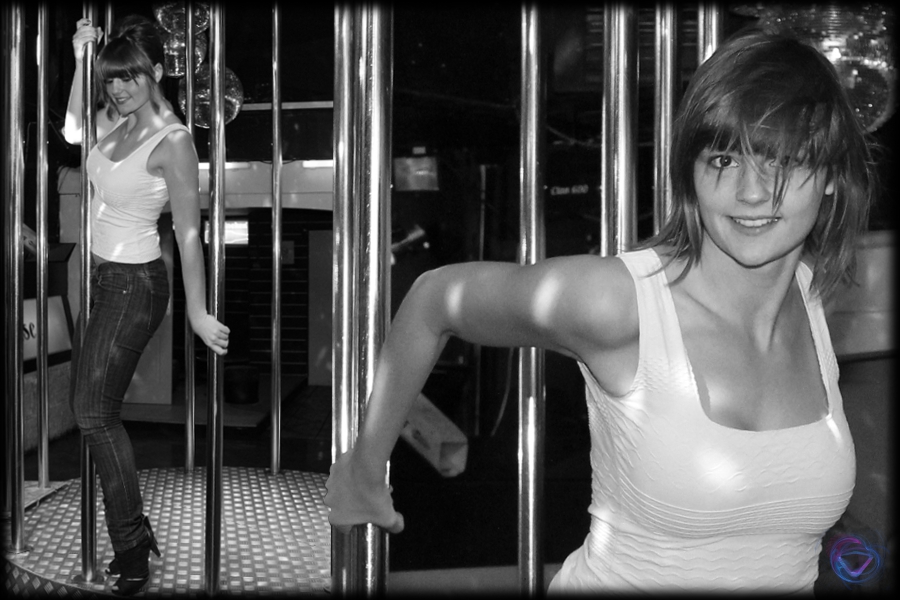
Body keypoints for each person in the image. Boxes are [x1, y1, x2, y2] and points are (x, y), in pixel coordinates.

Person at [324, 26, 878, 593]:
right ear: (690, 172)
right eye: (724, 159)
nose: (752, 193)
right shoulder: (619, 303)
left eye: (784, 161)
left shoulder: (811, 297)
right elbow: (436, 298)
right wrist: (365, 465)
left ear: (832, 177)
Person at [64, 15, 230, 597]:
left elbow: (189, 233)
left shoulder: (173, 141)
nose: (117, 89)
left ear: (157, 71)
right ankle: (133, 537)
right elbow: (72, 129)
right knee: (91, 409)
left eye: (129, 77)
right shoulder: (115, 120)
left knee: (93, 414)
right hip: (98, 279)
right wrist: (82, 60)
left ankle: (132, 544)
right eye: (110, 79)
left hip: (134, 285)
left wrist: (197, 312)